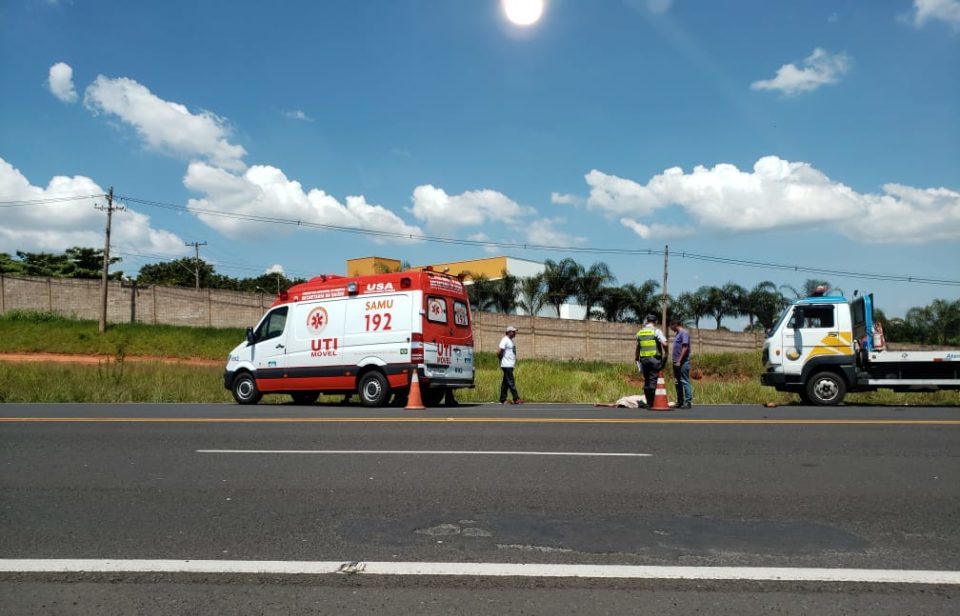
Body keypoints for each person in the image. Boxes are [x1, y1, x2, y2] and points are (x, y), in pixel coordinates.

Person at [634, 314, 667, 408]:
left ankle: (649, 402)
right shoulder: (656, 331)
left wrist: (636, 358)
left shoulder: (640, 332)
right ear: (655, 322)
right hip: (654, 360)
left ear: (647, 321)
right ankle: (653, 403)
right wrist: (667, 353)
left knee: (647, 380)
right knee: (653, 380)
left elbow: (638, 347)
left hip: (643, 360)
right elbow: (664, 344)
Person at [670, 319, 693, 409]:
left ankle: (688, 402)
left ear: (675, 324)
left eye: (671, 326)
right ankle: (680, 401)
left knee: (684, 381)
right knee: (677, 382)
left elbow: (685, 346)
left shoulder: (684, 333)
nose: (671, 329)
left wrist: (679, 360)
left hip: (682, 362)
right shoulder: (678, 334)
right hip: (676, 362)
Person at [498, 325, 523, 404]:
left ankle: (503, 399)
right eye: (513, 331)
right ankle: (516, 399)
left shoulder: (510, 340)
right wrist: (501, 359)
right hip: (506, 365)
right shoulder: (505, 340)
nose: (515, 333)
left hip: (509, 365)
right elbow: (499, 351)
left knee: (505, 383)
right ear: (509, 332)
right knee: (511, 382)